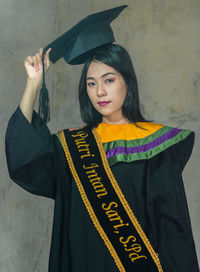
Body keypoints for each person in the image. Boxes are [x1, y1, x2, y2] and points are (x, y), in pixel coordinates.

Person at [5, 6, 200, 272]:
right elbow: (25, 162)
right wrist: (33, 84)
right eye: (91, 83)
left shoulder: (156, 144)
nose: (100, 92)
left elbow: (173, 230)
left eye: (109, 80)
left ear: (127, 82)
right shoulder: (71, 146)